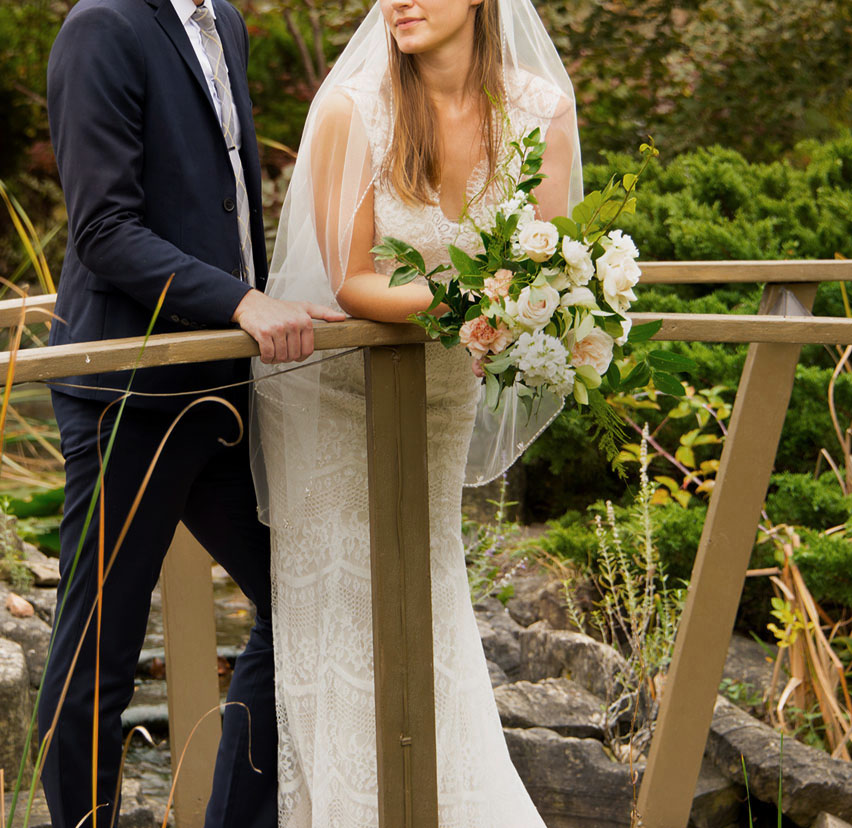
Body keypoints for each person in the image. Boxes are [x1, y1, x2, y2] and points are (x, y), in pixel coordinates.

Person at [250, 0, 582, 824]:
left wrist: (511, 314)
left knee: (431, 605)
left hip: (441, 396)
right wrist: (467, 302)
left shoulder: (541, 111)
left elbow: (546, 262)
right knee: (342, 630)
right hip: (336, 402)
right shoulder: (350, 110)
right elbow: (352, 280)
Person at [40, 0, 343, 825]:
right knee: (99, 654)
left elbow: (224, 207)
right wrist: (240, 300)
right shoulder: (101, 26)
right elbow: (105, 228)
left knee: (305, 602)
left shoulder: (227, 24)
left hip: (225, 391)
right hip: (129, 395)